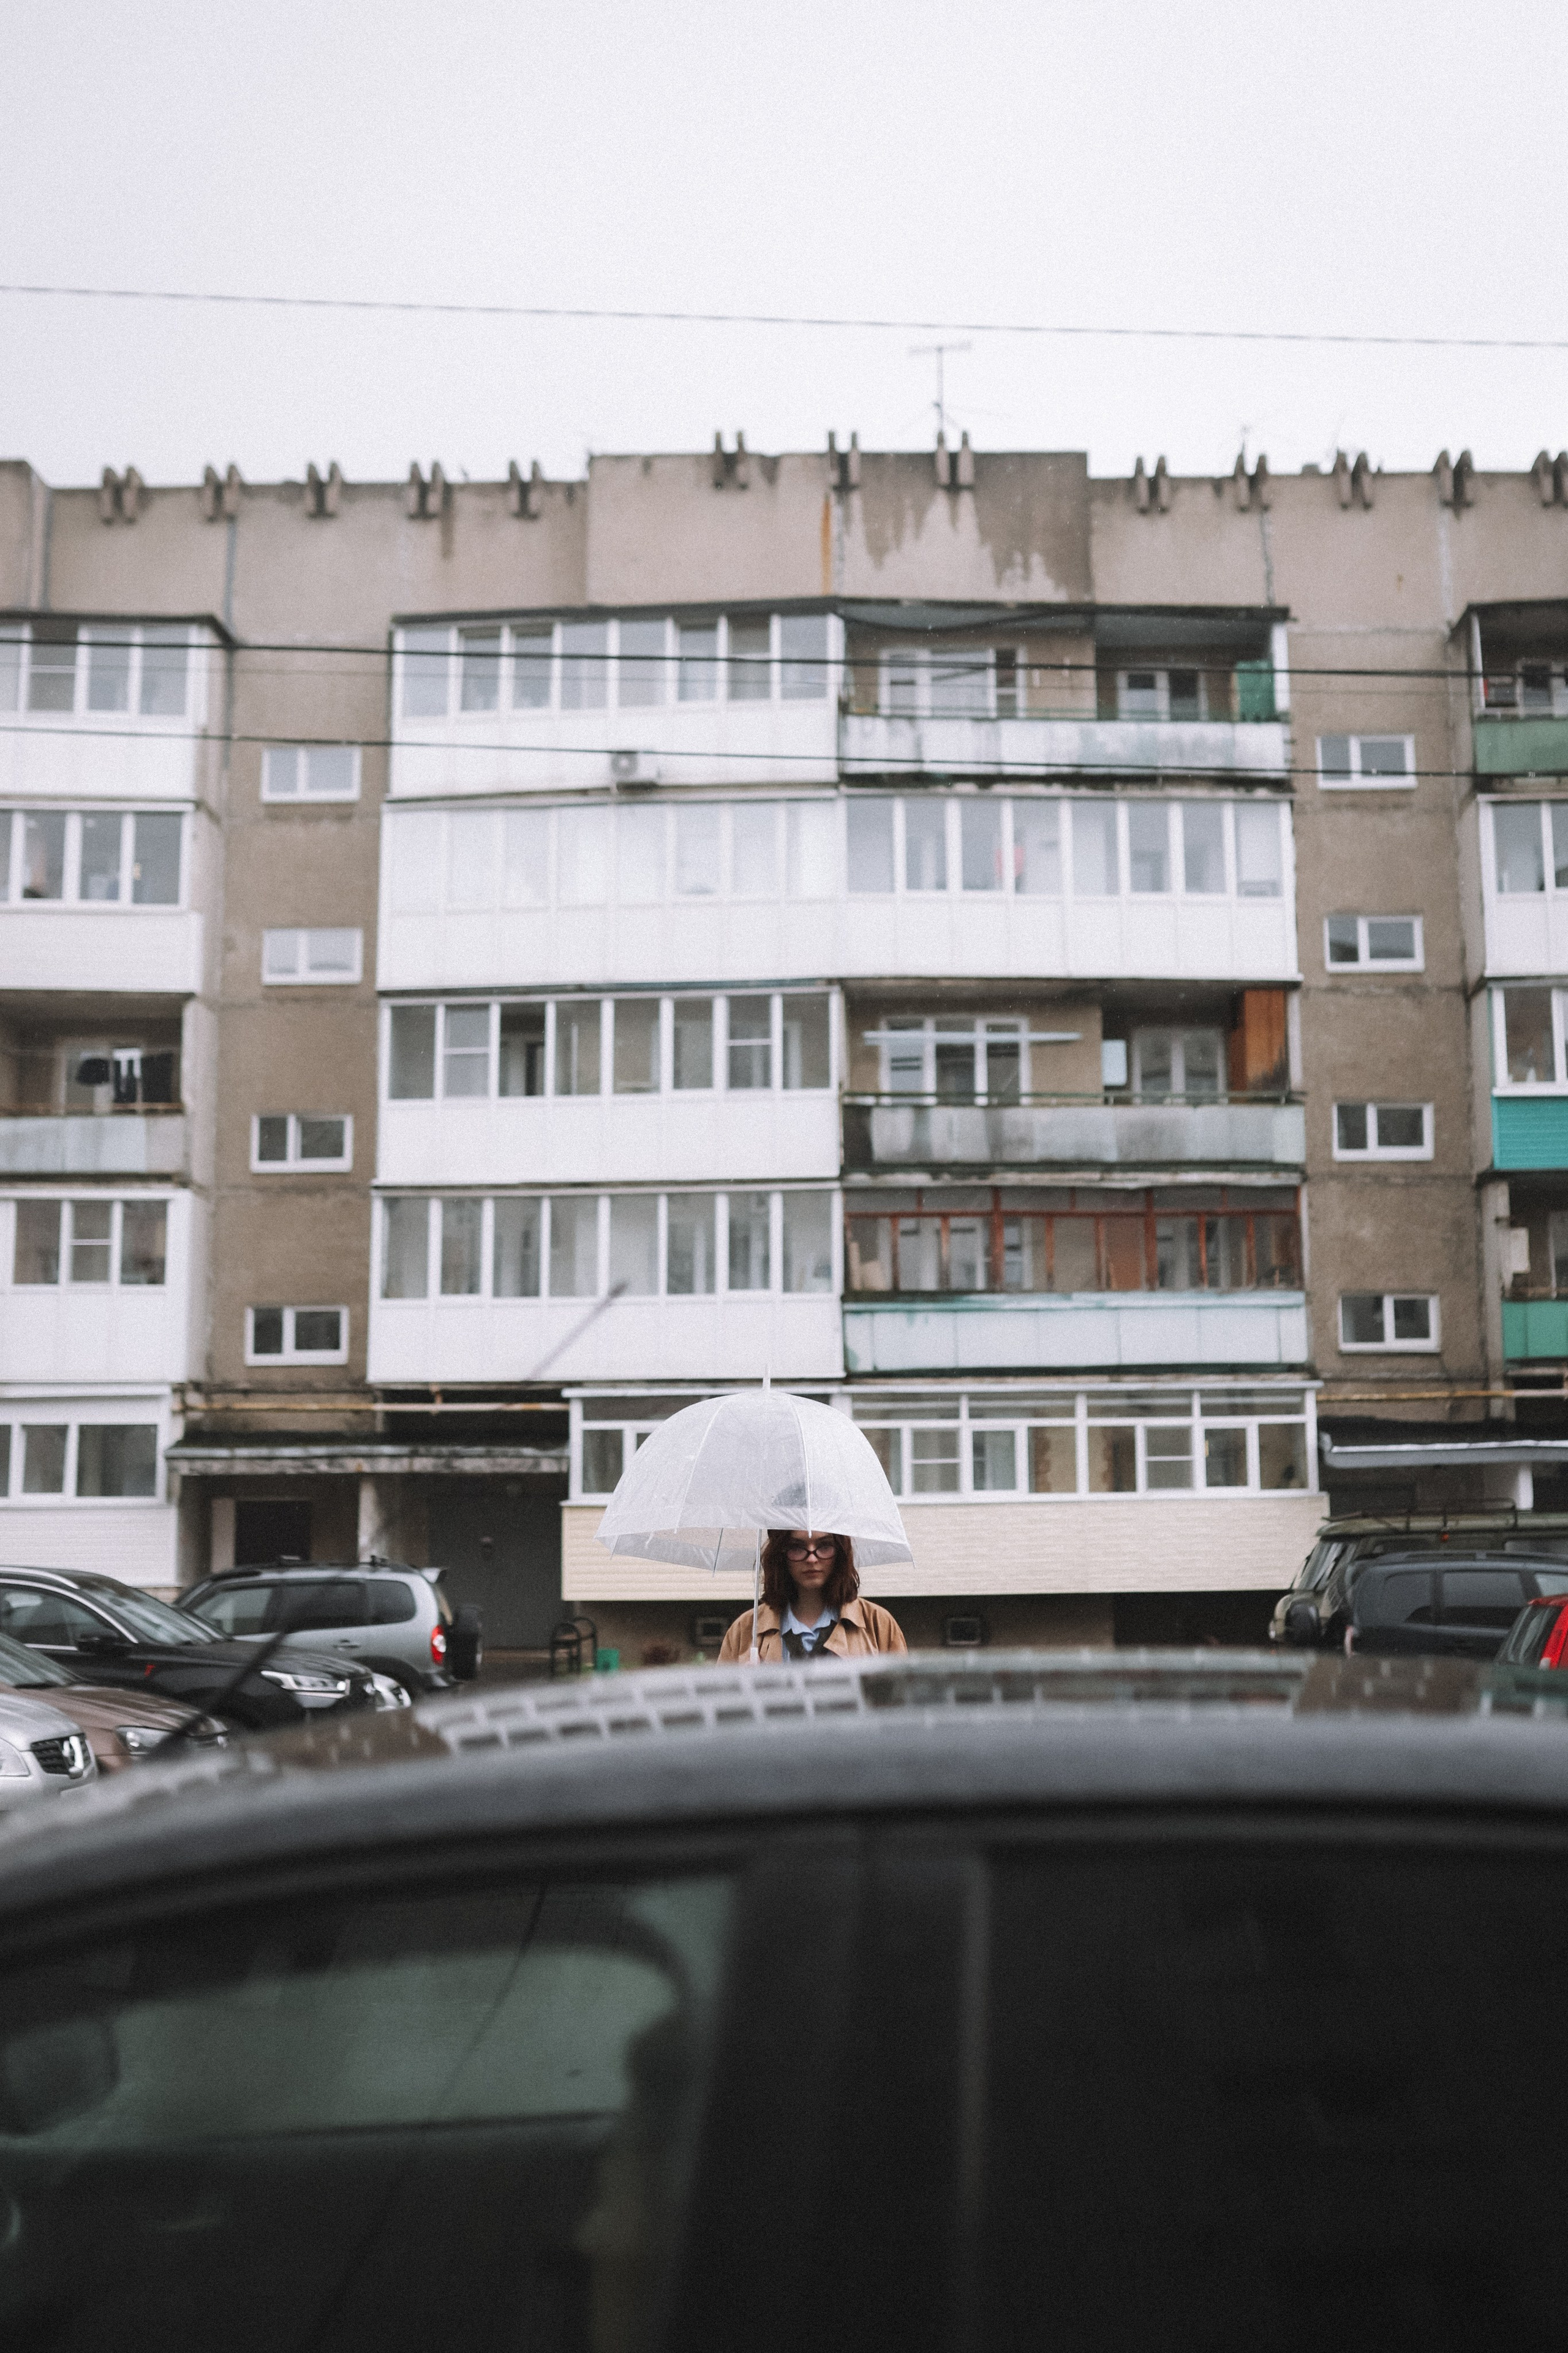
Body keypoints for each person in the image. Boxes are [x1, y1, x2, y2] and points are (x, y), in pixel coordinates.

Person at [717, 1531, 908, 1663]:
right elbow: (721, 1713)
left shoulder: (878, 1625)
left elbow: (902, 1709)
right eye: (797, 1547)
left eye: (824, 1546)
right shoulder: (746, 1630)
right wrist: (743, 1690)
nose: (812, 1559)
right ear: (781, 1554)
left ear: (840, 1551)